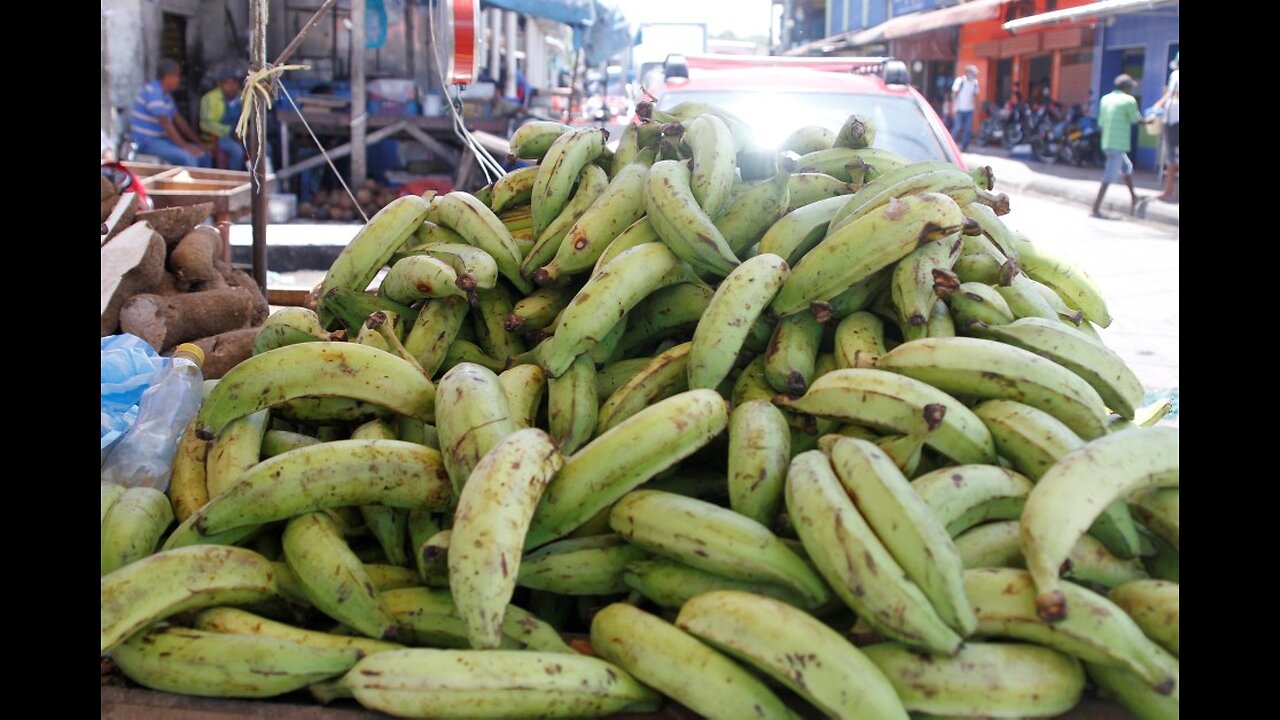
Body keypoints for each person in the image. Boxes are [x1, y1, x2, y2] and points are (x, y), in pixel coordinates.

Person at [1092, 74, 1153, 219]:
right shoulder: (1128, 100)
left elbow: (1100, 122)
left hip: (1107, 142)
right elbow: (1136, 119)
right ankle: (1095, 208)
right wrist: (1149, 121)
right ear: (1127, 87)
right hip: (1118, 144)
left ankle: (1134, 196)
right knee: (1109, 176)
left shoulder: (1105, 99)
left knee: (1126, 168)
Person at [130, 59, 211, 168]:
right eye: (177, 76)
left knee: (204, 155)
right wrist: (186, 147)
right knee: (188, 158)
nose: (179, 80)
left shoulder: (166, 95)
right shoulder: (153, 92)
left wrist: (199, 143)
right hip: (147, 142)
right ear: (168, 76)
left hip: (162, 140)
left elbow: (179, 121)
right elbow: (166, 124)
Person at [199, 68, 245, 170]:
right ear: (220, 85)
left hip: (240, 135)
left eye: (234, 83)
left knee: (265, 148)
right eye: (227, 83)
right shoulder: (209, 98)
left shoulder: (242, 97)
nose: (231, 87)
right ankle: (235, 179)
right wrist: (229, 130)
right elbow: (205, 123)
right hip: (219, 137)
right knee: (237, 150)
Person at [1152, 52, 1179, 201]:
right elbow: (1169, 93)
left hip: (1174, 120)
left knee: (1172, 157)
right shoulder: (1175, 75)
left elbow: (1171, 94)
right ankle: (1168, 190)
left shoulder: (1175, 74)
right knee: (1171, 157)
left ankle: (1169, 191)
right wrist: (1158, 105)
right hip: (1171, 119)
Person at [950, 65, 980, 152]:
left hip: (969, 109)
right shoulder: (960, 81)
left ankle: (964, 147)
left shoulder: (975, 83)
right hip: (959, 109)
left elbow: (976, 96)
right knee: (957, 127)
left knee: (968, 129)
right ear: (968, 73)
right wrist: (954, 105)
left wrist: (977, 108)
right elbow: (954, 93)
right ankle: (950, 145)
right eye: (973, 73)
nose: (974, 75)